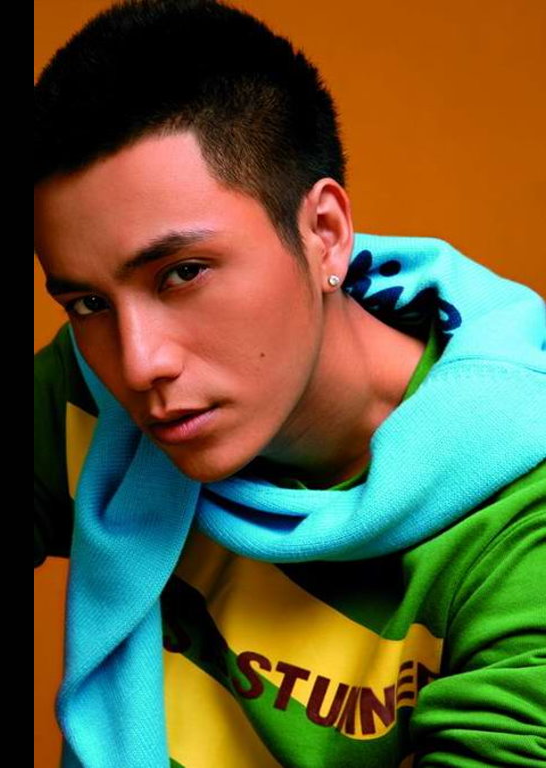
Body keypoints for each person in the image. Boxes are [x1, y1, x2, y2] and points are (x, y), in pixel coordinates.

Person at [33, 1, 546, 767]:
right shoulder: (88, 395)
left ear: (326, 233)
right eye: (88, 303)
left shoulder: (519, 523)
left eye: (182, 273)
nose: (139, 365)